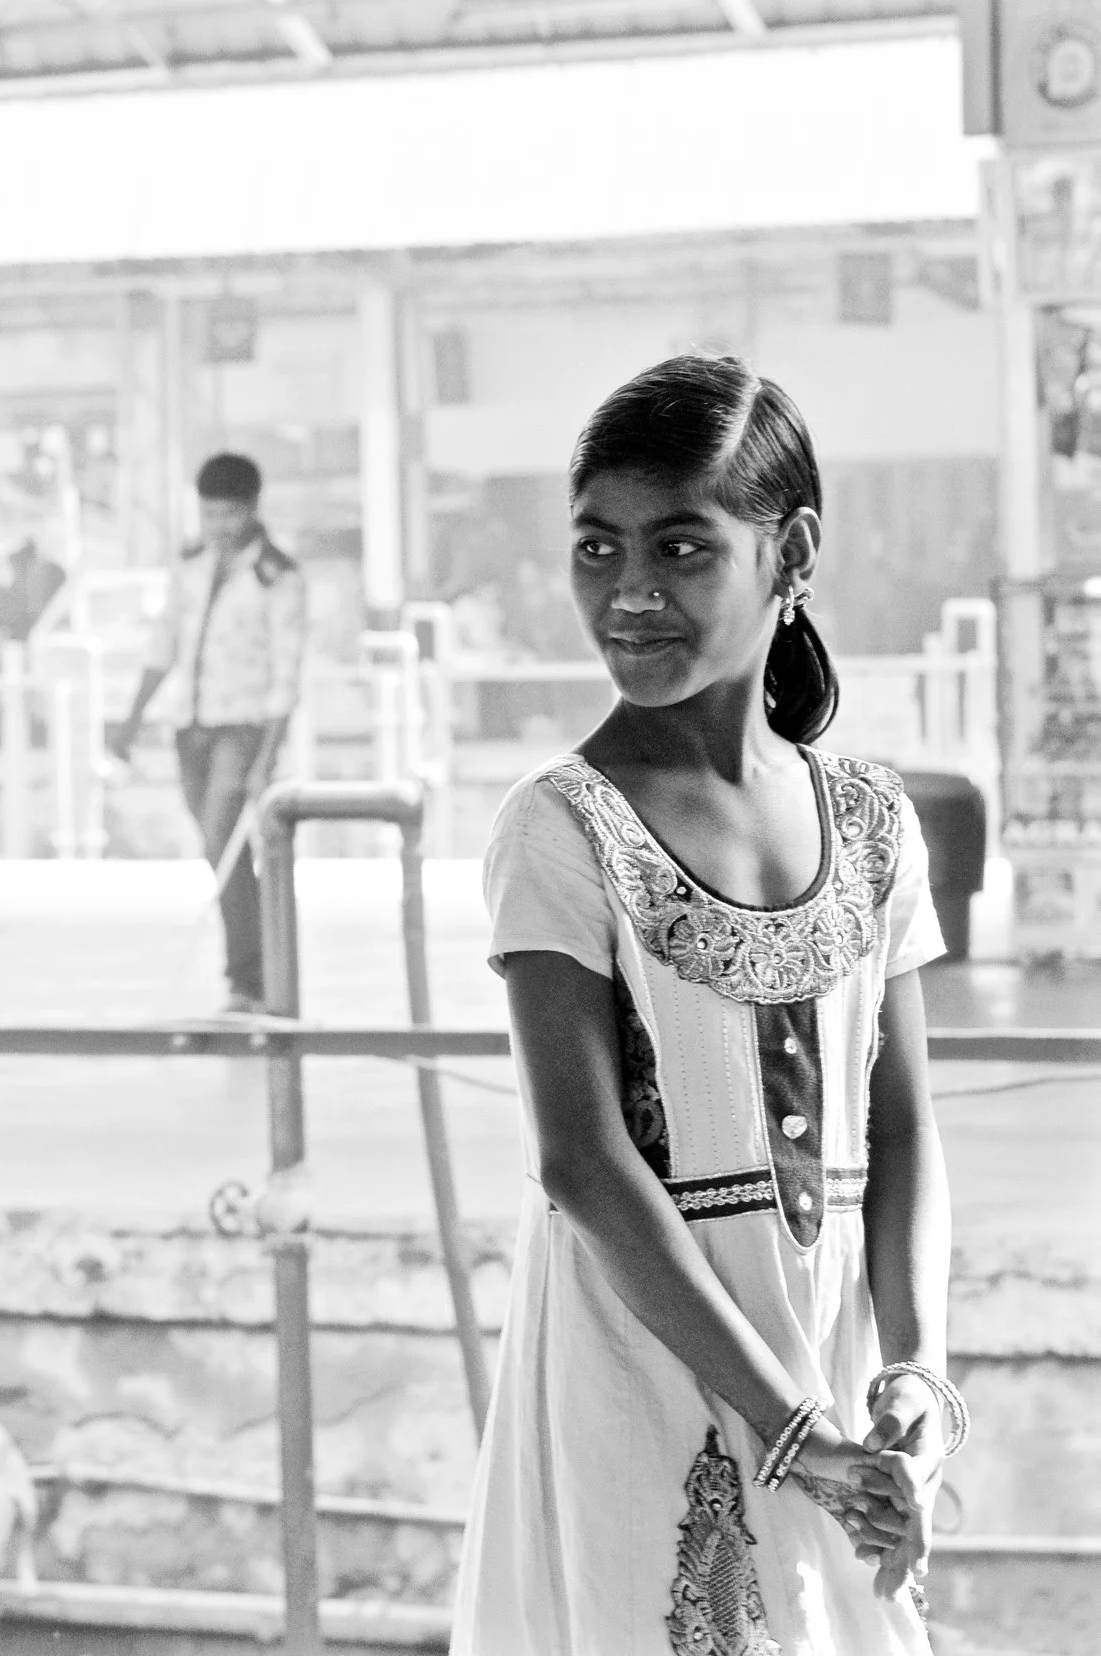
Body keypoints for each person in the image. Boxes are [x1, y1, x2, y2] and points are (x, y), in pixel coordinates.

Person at [454, 356, 960, 1653]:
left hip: (834, 1374)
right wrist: (791, 1425)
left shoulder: (872, 820)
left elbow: (901, 1134)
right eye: (596, 548)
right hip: (644, 1372)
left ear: (790, 551)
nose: (629, 593)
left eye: (681, 548)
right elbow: (585, 1166)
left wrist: (911, 1367)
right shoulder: (561, 830)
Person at [108, 454, 306, 1015]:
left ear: (250, 510)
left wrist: (268, 755)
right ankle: (265, 970)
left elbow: (286, 677)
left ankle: (245, 979)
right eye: (208, 514)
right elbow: (163, 644)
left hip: (243, 730)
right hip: (189, 729)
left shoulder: (278, 576)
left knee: (223, 838)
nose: (217, 526)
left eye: (228, 515)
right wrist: (131, 716)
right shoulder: (189, 566)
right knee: (224, 851)